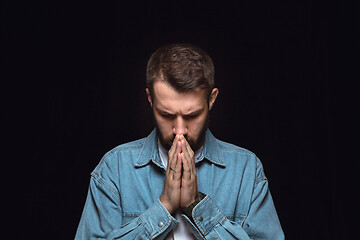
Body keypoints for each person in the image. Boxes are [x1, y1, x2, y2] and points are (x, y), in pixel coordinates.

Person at [75, 43, 284, 239]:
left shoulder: (246, 170)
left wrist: (196, 207)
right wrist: (164, 206)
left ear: (211, 99)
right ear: (150, 99)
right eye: (166, 115)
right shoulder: (114, 168)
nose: (180, 131)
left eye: (192, 116)